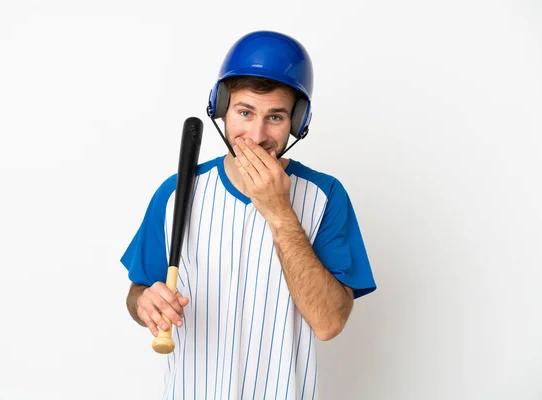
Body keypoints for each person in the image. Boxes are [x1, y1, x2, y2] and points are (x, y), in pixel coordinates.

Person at [120, 30, 377, 399]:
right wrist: (144, 302)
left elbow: (329, 323)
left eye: (275, 116)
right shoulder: (178, 191)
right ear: (222, 108)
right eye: (245, 112)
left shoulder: (326, 196)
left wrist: (279, 212)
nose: (257, 135)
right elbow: (137, 291)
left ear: (297, 122)